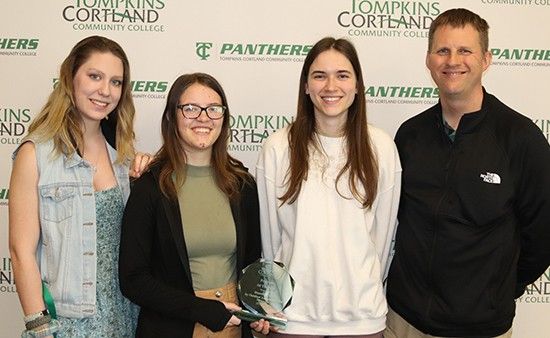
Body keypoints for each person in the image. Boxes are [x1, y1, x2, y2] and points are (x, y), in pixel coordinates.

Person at [385, 8, 550, 338]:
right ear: (429, 59)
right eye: (442, 50)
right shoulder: (409, 135)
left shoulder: (520, 138)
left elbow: (542, 237)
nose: (452, 61)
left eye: (465, 50)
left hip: (480, 328)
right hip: (404, 321)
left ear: (486, 59)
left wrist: (494, 292)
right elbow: (395, 221)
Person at [256, 37, 401, 337]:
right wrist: (273, 306)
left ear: (358, 86)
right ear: (306, 86)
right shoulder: (278, 147)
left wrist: (363, 292)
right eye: (319, 76)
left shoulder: (381, 148)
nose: (330, 86)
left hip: (363, 320)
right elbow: (270, 241)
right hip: (293, 319)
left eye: (342, 75)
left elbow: (384, 239)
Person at [118, 72, 270, 337]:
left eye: (213, 109)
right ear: (171, 117)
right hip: (171, 328)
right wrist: (202, 309)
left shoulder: (243, 185)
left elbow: (252, 265)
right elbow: (133, 280)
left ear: (224, 118)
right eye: (190, 109)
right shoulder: (150, 187)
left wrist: (260, 308)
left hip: (233, 328)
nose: (203, 117)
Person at [8, 35, 139, 337]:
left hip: (123, 319)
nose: (105, 91)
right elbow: (21, 251)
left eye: (116, 82)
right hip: (66, 325)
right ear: (70, 77)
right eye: (95, 76)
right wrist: (40, 328)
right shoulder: (35, 154)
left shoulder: (122, 158)